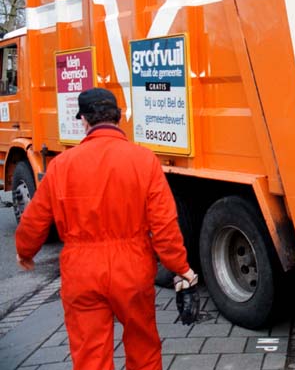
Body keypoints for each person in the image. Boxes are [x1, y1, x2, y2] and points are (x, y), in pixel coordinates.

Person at [15, 87, 199, 370]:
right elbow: (164, 225)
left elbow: (35, 218)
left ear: (84, 121)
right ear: (119, 118)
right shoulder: (144, 160)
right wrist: (181, 268)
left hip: (81, 269)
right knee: (143, 344)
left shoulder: (61, 166)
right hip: (132, 267)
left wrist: (25, 251)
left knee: (90, 354)